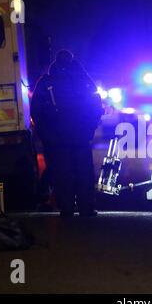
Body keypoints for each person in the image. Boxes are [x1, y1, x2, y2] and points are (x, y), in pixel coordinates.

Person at [31, 50, 103, 217]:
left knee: (62, 173)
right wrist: (90, 128)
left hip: (56, 139)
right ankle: (86, 208)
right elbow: (96, 105)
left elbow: (36, 111)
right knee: (83, 172)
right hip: (80, 136)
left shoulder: (47, 82)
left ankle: (67, 208)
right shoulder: (83, 80)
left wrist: (46, 135)